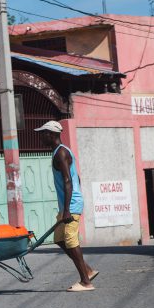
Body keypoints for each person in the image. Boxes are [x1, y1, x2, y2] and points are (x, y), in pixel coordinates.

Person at [35, 121, 98, 292]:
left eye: (43, 134)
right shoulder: (61, 151)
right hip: (67, 205)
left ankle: (86, 282)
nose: (41, 137)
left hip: (71, 205)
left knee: (70, 240)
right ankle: (88, 270)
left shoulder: (61, 153)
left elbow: (68, 181)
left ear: (51, 134)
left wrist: (68, 209)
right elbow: (76, 177)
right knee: (59, 239)